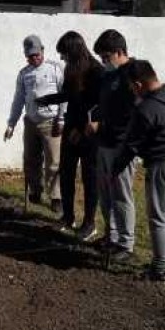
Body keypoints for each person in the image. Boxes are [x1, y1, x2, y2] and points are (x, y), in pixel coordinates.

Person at [113, 60, 165, 286]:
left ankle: (160, 270)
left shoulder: (146, 108)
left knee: (158, 217)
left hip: (164, 164)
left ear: (139, 84)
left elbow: (132, 145)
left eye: (132, 87)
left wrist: (115, 168)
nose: (132, 91)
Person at [34, 31, 104, 237]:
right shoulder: (72, 70)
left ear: (73, 51)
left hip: (88, 133)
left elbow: (96, 105)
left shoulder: (96, 71)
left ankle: (89, 223)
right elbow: (69, 95)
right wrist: (47, 100)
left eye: (64, 54)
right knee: (66, 174)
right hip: (71, 129)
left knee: (90, 177)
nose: (62, 58)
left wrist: (81, 131)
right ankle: (68, 216)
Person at [89, 29, 137, 261]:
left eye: (106, 57)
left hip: (122, 146)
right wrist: (96, 118)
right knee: (105, 193)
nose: (103, 62)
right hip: (104, 143)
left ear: (119, 52)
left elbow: (134, 112)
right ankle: (112, 234)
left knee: (121, 195)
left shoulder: (133, 74)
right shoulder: (109, 76)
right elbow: (103, 105)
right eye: (101, 58)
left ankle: (126, 244)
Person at [5, 35, 65, 212]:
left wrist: (61, 118)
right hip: (31, 122)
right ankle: (35, 190)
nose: (34, 58)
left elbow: (64, 95)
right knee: (31, 159)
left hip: (51, 122)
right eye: (30, 56)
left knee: (54, 161)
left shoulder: (55, 68)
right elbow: (18, 99)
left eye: (37, 54)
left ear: (43, 51)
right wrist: (11, 123)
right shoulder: (24, 74)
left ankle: (56, 196)